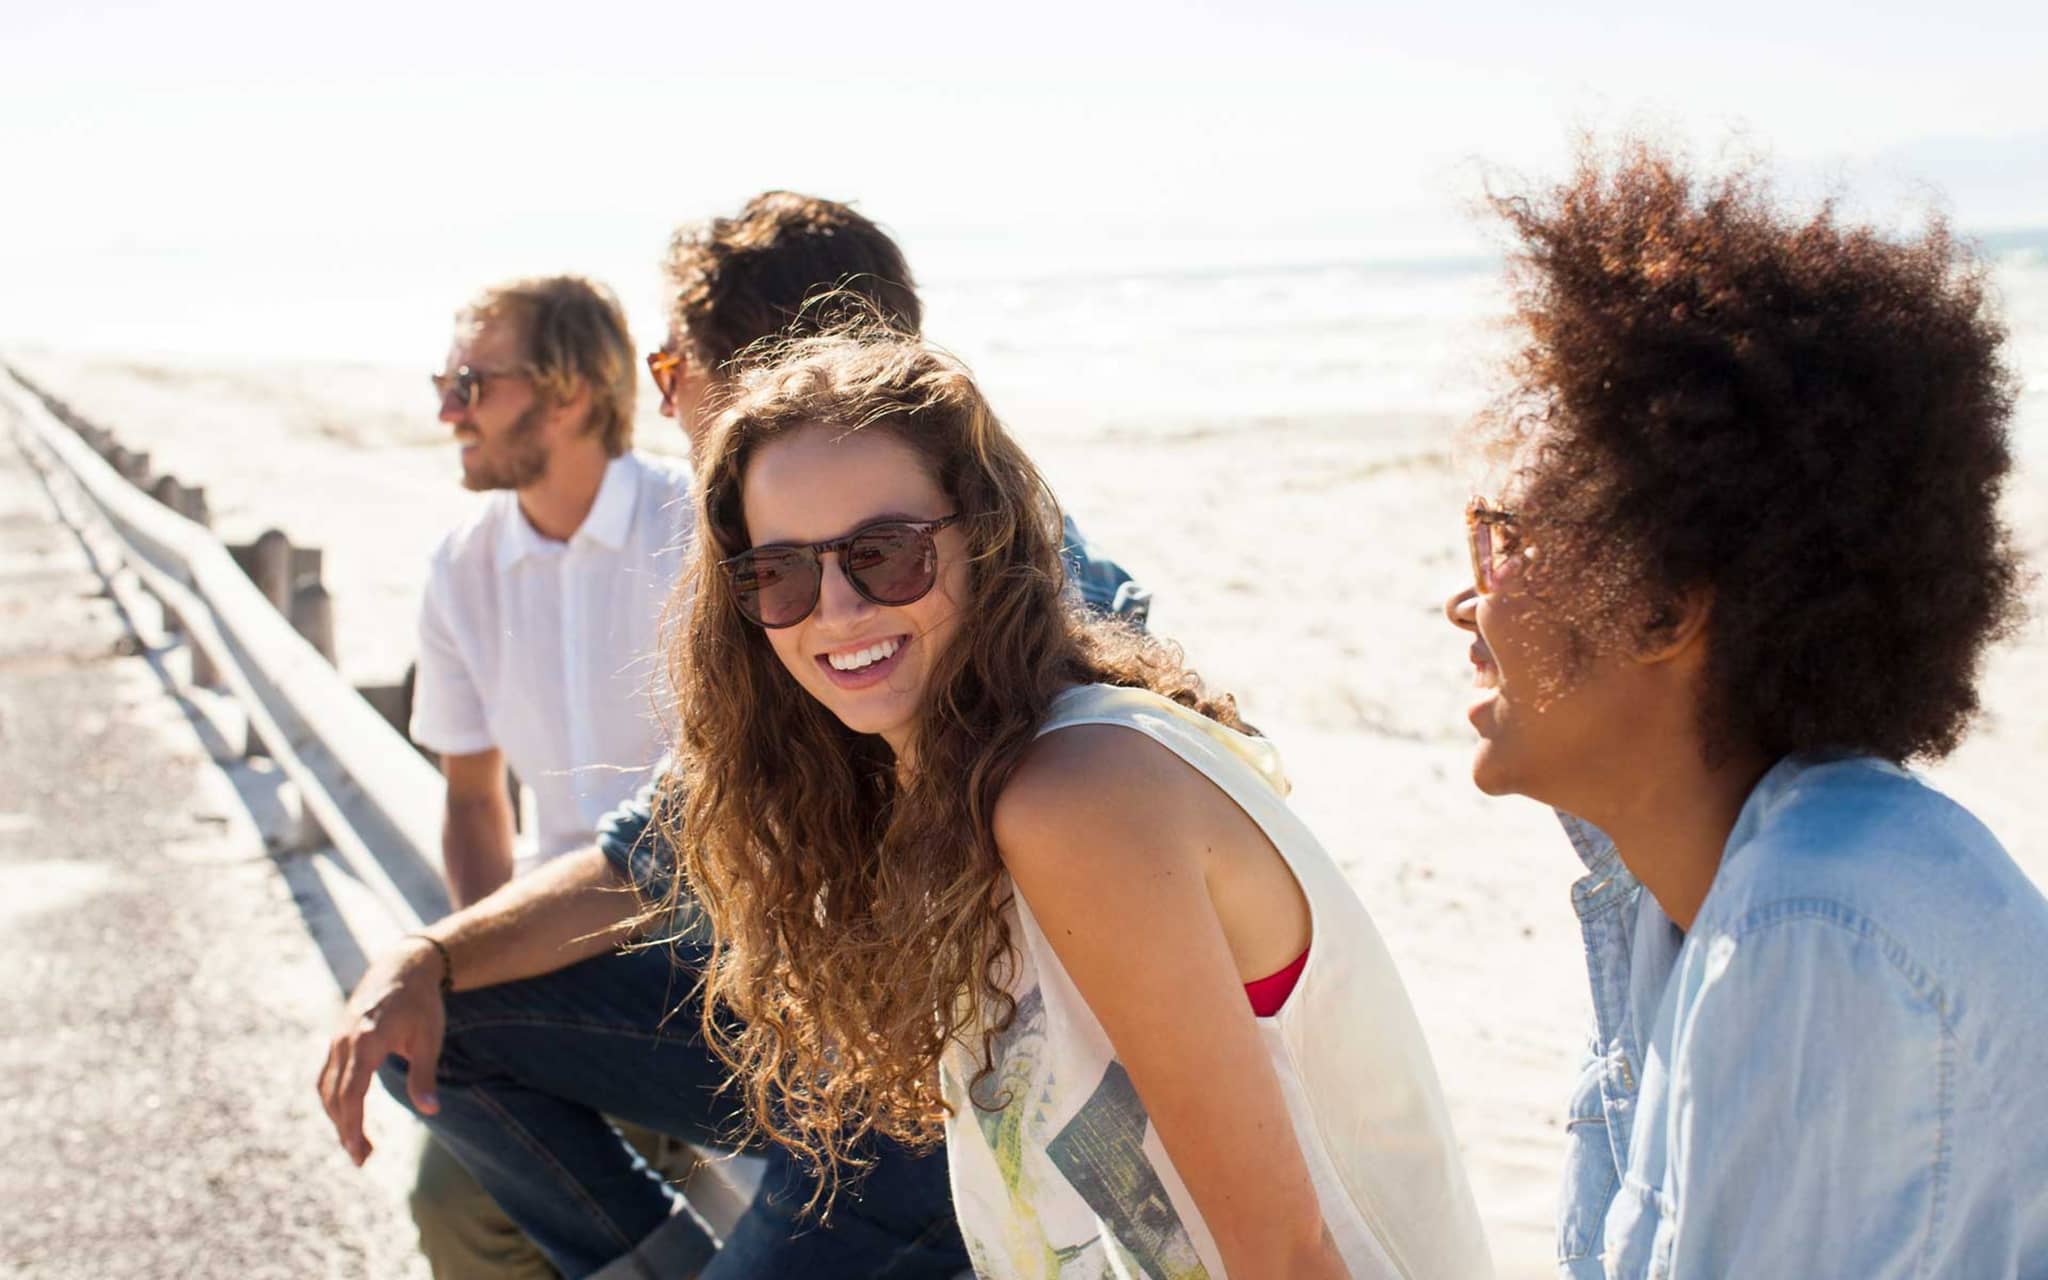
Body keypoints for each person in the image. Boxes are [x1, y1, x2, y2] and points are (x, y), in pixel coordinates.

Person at [320, 192, 1143, 1279]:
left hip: (947, 1103)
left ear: (761, 377)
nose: (664, 407)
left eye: (672, 370)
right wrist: (425, 958)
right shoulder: (808, 563)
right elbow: (662, 849)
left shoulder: (934, 587)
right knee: (443, 1028)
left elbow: (658, 863)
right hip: (818, 1038)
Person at [659, 328, 1494, 1279]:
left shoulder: (1075, 798)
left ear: (983, 539)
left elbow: (1281, 1254)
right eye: (782, 573)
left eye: (884, 555)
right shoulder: (967, 791)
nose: (837, 610)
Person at [1443, 142, 2048, 1277]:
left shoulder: (1814, 924)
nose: (1464, 595)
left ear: (1661, 603)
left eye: (1507, 536)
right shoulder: (1694, 894)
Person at [408, 275, 697, 1278]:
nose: (448, 409)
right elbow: (470, 796)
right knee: (451, 1202)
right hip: (549, 934)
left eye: (469, 382)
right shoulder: (460, 563)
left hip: (704, 945)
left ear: (569, 394)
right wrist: (488, 970)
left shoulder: (698, 528)